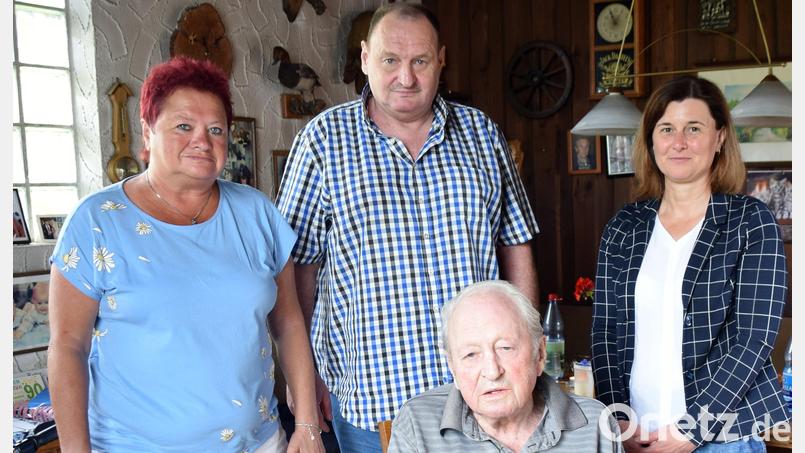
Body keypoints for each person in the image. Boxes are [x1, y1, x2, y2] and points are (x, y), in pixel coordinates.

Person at [276, 4, 539, 451]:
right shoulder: (322, 142)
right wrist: (303, 377)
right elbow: (296, 272)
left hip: (482, 393)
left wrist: (528, 355)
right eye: (390, 60)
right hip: (373, 404)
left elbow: (516, 247)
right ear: (365, 58)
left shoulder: (482, 134)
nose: (406, 77)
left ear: (441, 59)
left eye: (420, 61)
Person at [47, 57, 324, 453]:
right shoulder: (97, 222)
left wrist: (307, 424)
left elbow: (289, 322)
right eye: (183, 126)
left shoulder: (257, 213)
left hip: (260, 442)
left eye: (216, 129)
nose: (202, 140)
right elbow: (68, 347)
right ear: (147, 132)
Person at [591, 76, 789, 452]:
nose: (679, 142)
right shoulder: (624, 226)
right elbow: (605, 331)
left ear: (719, 138)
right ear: (651, 140)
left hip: (723, 437)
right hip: (636, 433)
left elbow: (754, 338)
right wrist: (617, 417)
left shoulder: (750, 221)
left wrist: (692, 430)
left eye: (694, 128)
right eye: (667, 128)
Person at [389, 280, 622, 452]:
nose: (492, 372)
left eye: (505, 348)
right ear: (452, 367)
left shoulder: (595, 424)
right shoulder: (417, 423)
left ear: (540, 354)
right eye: (471, 354)